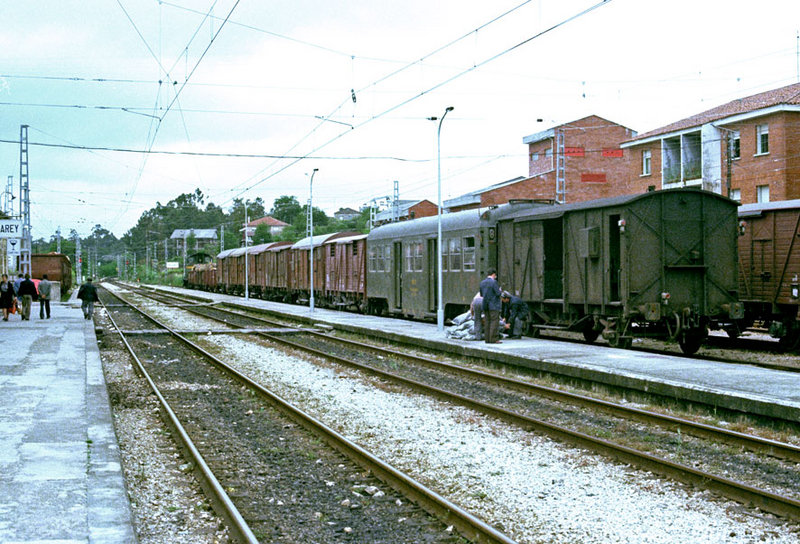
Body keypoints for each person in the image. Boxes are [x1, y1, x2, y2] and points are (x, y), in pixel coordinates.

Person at [479, 268, 502, 344]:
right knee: (494, 322)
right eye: (495, 275)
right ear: (493, 274)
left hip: (485, 305)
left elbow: (482, 294)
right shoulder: (494, 282)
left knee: (487, 322)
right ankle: (493, 339)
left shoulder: (482, 283)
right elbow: (498, 294)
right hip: (493, 305)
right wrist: (500, 290)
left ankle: (487, 339)